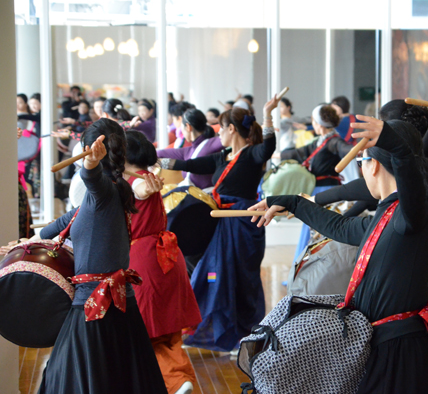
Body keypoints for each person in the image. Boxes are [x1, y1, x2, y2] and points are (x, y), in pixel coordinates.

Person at [250, 117, 428, 394]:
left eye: (361, 162)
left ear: (374, 166)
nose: (360, 170)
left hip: (402, 352)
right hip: (385, 344)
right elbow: (338, 226)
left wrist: (394, 144)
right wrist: (289, 201)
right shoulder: (386, 215)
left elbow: (410, 176)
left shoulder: (409, 217)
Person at [28, 118, 168, 393]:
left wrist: (90, 165)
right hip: (112, 307)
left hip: (96, 308)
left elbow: (92, 179)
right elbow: (67, 220)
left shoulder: (105, 190)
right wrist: (26, 242)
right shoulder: (113, 191)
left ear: (86, 147)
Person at [160, 96, 278, 351]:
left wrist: (267, 113)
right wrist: (152, 161)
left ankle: (244, 333)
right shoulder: (223, 155)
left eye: (221, 128)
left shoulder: (253, 154)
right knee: (213, 274)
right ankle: (216, 332)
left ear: (232, 129)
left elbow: (268, 147)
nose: (218, 133)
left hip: (244, 224)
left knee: (242, 279)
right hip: (222, 223)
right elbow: (189, 163)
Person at [125, 130, 201, 394]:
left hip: (146, 260)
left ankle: (176, 382)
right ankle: (181, 381)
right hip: (168, 257)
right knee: (168, 331)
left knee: (149, 331)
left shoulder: (136, 182)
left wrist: (146, 185)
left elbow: (141, 190)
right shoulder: (145, 176)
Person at [279, 104, 353, 261]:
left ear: (318, 123)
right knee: (311, 231)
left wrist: (357, 150)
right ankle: (303, 271)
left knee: (321, 233)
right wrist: (279, 155)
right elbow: (300, 152)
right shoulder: (320, 141)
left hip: (328, 193)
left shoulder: (333, 141)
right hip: (318, 192)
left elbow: (344, 148)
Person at [157, 109, 223, 189]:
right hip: (194, 197)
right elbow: (160, 153)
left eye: (182, 129)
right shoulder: (188, 151)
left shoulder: (213, 143)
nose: (182, 133)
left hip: (209, 198)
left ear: (188, 127)